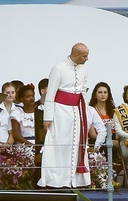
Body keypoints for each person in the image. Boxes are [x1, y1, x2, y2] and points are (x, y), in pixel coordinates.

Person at [39, 42, 91, 189]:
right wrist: (47, 117)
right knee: (60, 146)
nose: (87, 59)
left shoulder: (85, 68)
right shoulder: (59, 68)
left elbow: (83, 90)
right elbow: (51, 93)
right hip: (60, 112)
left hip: (77, 111)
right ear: (76, 55)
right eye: (85, 56)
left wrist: (84, 111)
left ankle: (76, 180)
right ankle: (57, 180)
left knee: (77, 143)